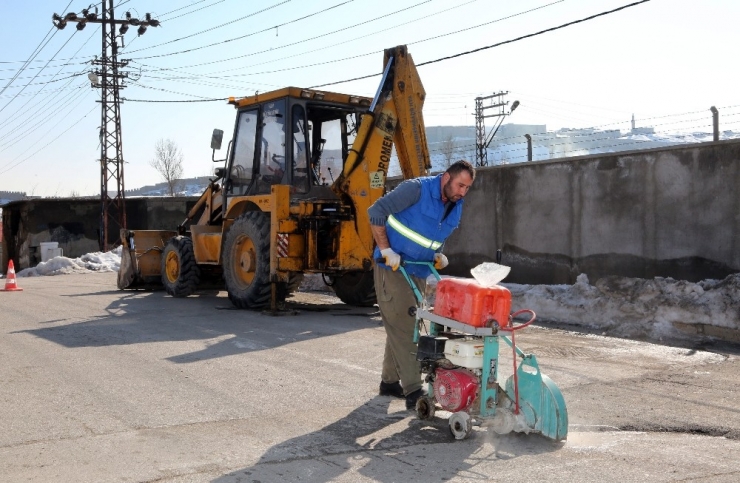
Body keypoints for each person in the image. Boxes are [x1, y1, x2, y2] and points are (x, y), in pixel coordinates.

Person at [368, 160, 476, 410]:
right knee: (405, 326)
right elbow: (376, 211)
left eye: (467, 188)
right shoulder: (415, 190)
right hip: (392, 267)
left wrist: (438, 253)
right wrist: (386, 249)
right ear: (446, 177)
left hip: (418, 270)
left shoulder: (455, 204)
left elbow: (437, 233)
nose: (463, 192)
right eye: (460, 185)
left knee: (404, 323)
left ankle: (390, 382)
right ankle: (413, 391)